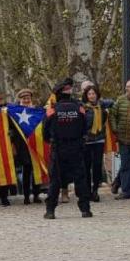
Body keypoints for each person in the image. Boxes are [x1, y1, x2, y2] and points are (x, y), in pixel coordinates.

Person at [44, 78, 91, 219]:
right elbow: (85, 127)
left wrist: (51, 140)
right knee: (80, 179)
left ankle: (50, 210)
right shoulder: (80, 108)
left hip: (58, 148)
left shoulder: (52, 110)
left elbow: (45, 132)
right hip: (76, 147)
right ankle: (85, 209)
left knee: (55, 180)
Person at [13, 89, 42, 205]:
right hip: (22, 144)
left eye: (28, 98)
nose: (26, 100)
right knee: (26, 170)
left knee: (36, 170)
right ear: (20, 99)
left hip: (35, 143)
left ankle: (36, 194)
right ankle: (26, 195)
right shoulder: (14, 112)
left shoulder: (35, 110)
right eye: (24, 98)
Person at [82, 85, 107, 202]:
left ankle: (95, 189)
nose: (92, 96)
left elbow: (112, 102)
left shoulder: (102, 106)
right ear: (86, 96)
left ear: (97, 94)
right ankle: (86, 190)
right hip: (87, 140)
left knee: (97, 165)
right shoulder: (83, 108)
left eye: (93, 93)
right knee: (86, 166)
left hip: (99, 139)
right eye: (89, 94)